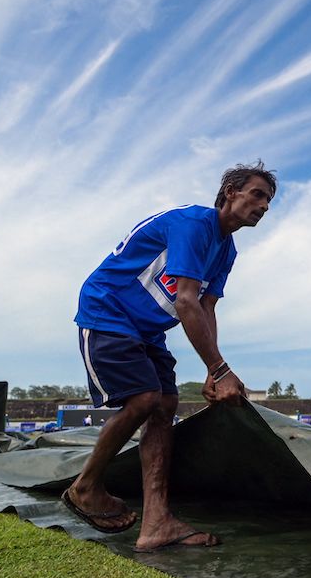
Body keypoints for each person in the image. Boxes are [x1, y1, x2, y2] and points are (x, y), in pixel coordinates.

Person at [63, 162, 276, 552]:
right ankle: (86, 486)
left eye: (269, 201)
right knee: (144, 398)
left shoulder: (226, 250)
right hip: (108, 311)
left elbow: (207, 307)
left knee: (165, 405)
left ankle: (156, 522)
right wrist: (220, 369)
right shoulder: (194, 224)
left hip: (147, 329)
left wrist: (216, 370)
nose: (264, 206)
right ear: (230, 191)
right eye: (257, 195)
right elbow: (185, 300)